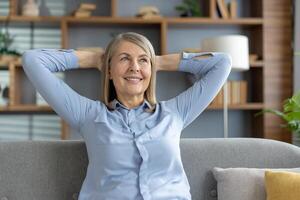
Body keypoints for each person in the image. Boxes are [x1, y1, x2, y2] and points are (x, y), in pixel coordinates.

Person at [22, 32, 231, 200]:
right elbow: (32, 60)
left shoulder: (174, 113)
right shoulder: (89, 115)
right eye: (124, 59)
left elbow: (222, 63)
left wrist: (158, 62)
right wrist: (95, 59)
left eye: (142, 60)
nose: (135, 67)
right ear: (109, 71)